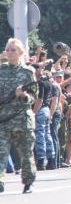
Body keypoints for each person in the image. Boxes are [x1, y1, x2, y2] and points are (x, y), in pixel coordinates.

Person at [0, 38, 38, 194]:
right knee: (1, 152)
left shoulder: (28, 72)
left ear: (21, 53)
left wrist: (23, 96)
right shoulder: (1, 71)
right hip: (3, 119)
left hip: (22, 119)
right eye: (7, 50)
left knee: (26, 152)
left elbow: (34, 96)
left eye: (13, 50)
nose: (9, 53)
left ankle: (28, 182)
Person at [32, 65, 55, 171]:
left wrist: (33, 113)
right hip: (46, 109)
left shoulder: (39, 83)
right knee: (47, 135)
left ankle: (41, 161)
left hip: (40, 109)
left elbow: (39, 99)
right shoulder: (48, 82)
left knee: (40, 136)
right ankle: (51, 160)